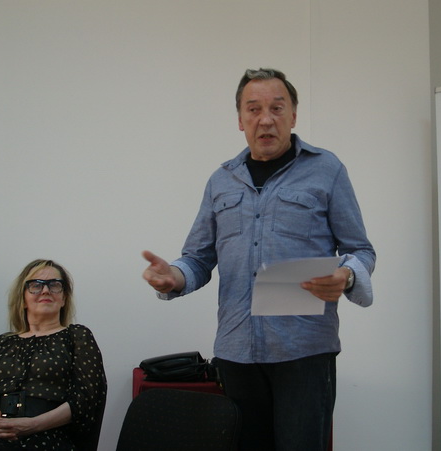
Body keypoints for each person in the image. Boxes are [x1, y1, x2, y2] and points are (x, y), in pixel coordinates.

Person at [142, 68, 376, 451]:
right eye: (253, 109)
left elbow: (361, 250)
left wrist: (347, 275)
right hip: (236, 351)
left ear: (293, 116)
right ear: (240, 119)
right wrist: (174, 277)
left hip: (304, 351)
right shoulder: (221, 180)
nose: (265, 119)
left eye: (276, 108)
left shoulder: (327, 170)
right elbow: (198, 259)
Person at [0, 259, 107, 451]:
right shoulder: (2, 342)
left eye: (55, 285)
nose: (46, 290)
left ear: (64, 298)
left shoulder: (77, 336)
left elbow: (85, 399)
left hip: (47, 436)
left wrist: (32, 425)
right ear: (22, 298)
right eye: (36, 285)